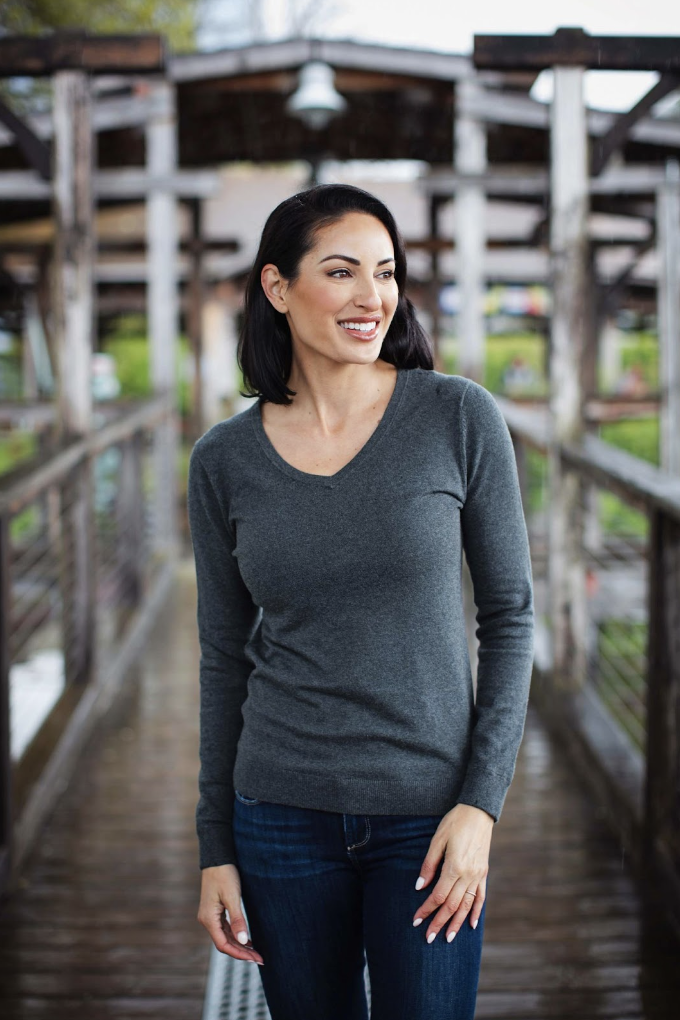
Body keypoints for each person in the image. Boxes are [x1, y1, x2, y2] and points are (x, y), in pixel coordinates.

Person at [187, 184, 535, 1020]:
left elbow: (512, 618)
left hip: (429, 816)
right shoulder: (223, 460)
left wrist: (481, 804)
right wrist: (215, 845)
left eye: (385, 273)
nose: (371, 297)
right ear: (277, 287)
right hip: (277, 815)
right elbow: (220, 656)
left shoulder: (457, 416)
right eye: (340, 272)